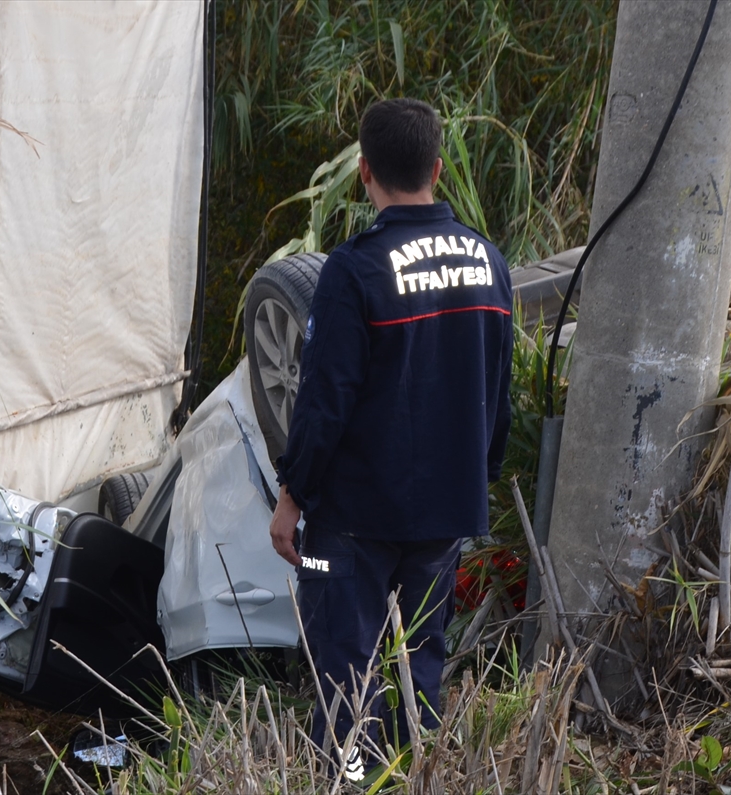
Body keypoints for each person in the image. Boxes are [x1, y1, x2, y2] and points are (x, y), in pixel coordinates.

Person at [268, 98, 513, 780]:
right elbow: (500, 390)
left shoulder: (355, 269)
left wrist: (293, 494)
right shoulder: (487, 262)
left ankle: (349, 781)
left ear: (365, 173)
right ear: (437, 168)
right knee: (420, 662)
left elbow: (325, 399)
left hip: (355, 518)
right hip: (444, 514)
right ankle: (412, 777)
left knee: (345, 672)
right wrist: (479, 476)